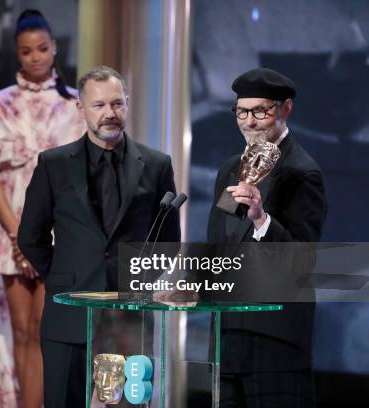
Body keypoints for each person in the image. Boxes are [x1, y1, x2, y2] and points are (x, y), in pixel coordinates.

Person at [18, 65, 181, 408]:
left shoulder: (156, 164)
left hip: (129, 317)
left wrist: (141, 282)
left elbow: (169, 242)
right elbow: (30, 237)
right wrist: (64, 277)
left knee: (127, 404)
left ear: (127, 104)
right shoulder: (54, 164)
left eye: (117, 104)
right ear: (81, 108)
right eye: (99, 105)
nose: (110, 113)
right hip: (69, 315)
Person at [0, 10, 86, 408]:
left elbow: (81, 179)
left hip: (58, 233)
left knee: (47, 329)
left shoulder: (75, 106)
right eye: (26, 51)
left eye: (42, 49)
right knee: (22, 332)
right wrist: (19, 233)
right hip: (10, 231)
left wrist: (42, 235)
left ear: (55, 50)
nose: (35, 58)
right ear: (17, 55)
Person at [207, 67, 327, 407]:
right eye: (242, 111)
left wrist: (261, 219)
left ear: (285, 109)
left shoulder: (303, 172)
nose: (250, 121)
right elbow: (219, 245)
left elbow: (303, 259)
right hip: (227, 338)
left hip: (274, 344)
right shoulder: (230, 168)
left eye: (260, 110)